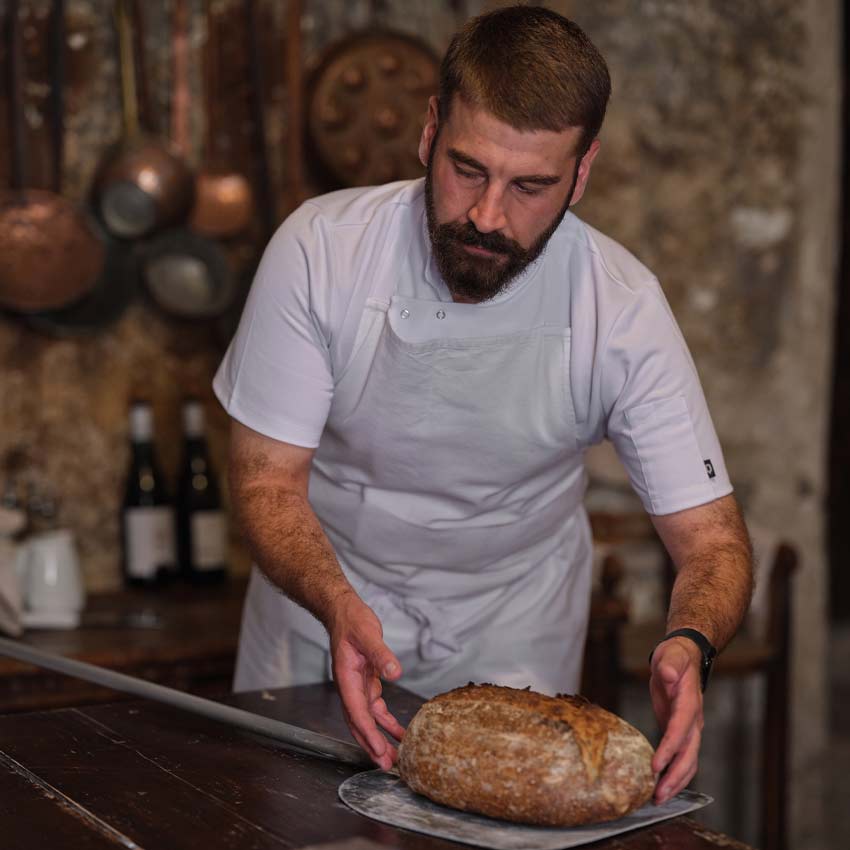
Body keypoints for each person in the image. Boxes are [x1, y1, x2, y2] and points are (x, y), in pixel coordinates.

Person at [213, 5, 753, 806]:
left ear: (583, 171)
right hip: (321, 610)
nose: (487, 216)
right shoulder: (321, 252)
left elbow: (712, 539)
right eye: (468, 169)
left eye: (531, 185)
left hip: (515, 626)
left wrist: (690, 641)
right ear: (430, 132)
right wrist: (336, 606)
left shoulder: (623, 309)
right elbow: (264, 482)